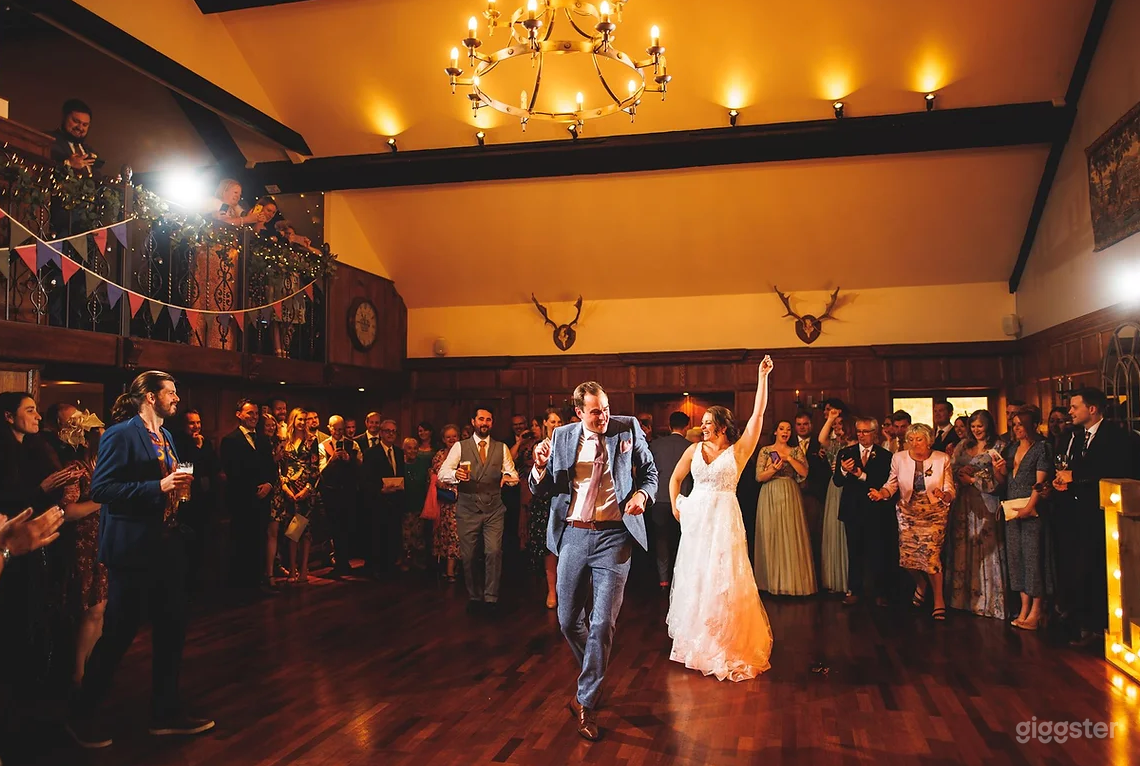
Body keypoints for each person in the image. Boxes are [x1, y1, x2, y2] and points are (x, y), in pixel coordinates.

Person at [66, 371, 213, 748]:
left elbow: (168, 480)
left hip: (165, 546)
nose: (177, 399)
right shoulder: (121, 433)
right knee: (118, 633)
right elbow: (102, 489)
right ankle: (81, 715)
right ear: (149, 397)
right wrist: (157, 487)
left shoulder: (164, 435)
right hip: (132, 549)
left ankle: (164, 714)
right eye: (171, 393)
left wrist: (178, 489)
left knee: (171, 628)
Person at [529, 382, 657, 741]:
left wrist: (643, 496)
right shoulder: (562, 436)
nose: (603, 416)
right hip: (574, 534)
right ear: (579, 413)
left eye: (606, 408)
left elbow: (650, 472)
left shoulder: (627, 427)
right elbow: (541, 489)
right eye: (595, 411)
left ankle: (585, 700)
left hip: (615, 536)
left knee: (602, 623)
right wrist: (538, 467)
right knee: (568, 620)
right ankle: (593, 669)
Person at [666, 358, 774, 682]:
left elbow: (757, 416)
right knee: (696, 577)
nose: (704, 424)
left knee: (725, 578)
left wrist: (761, 377)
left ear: (723, 426)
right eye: (704, 420)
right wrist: (675, 507)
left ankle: (727, 643)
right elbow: (674, 479)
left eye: (710, 420)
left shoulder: (739, 452)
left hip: (725, 519)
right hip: (697, 521)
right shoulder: (692, 449)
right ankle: (698, 644)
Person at [1052, 387, 1133, 647]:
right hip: (1075, 515)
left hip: (1103, 515)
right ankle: (1079, 622)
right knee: (1078, 570)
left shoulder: (1117, 437)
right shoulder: (1075, 436)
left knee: (1097, 570)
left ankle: (1099, 627)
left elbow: (1117, 470)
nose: (1070, 412)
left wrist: (1076, 477)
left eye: (1075, 407)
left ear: (1092, 409)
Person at [869, 424, 956, 622]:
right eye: (911, 439)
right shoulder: (899, 457)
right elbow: (891, 484)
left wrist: (945, 495)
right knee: (907, 558)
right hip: (908, 512)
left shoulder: (942, 458)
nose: (914, 443)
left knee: (931, 557)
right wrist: (881, 493)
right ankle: (921, 584)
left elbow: (950, 488)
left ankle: (939, 601)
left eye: (919, 439)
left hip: (934, 512)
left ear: (929, 441)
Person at [438, 408, 518, 611]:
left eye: (488, 420)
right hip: (467, 509)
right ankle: (474, 596)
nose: (485, 423)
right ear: (473, 421)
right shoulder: (459, 446)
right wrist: (456, 475)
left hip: (494, 509)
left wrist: (508, 479)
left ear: (492, 423)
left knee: (493, 552)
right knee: (470, 555)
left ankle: (491, 597)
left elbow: (513, 475)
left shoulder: (501, 448)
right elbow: (442, 474)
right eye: (481, 419)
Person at [946, 411, 1006, 619]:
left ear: (989, 425)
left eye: (980, 426)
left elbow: (1000, 479)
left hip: (986, 501)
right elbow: (951, 469)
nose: (976, 430)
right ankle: (963, 599)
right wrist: (959, 474)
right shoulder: (962, 445)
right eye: (973, 426)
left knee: (986, 547)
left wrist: (974, 480)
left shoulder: (998, 446)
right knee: (963, 545)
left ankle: (988, 601)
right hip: (964, 501)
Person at [834, 417, 895, 606]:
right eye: (859, 431)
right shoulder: (846, 452)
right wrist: (844, 471)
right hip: (853, 510)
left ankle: (880, 592)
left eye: (865, 432)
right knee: (854, 551)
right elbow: (837, 481)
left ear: (874, 433)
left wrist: (862, 476)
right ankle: (854, 590)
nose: (861, 435)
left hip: (876, 511)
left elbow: (885, 483)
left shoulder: (885, 455)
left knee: (877, 551)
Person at [753, 420, 816, 595]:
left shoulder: (796, 451)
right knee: (771, 534)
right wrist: (773, 469)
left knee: (790, 534)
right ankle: (770, 582)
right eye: (781, 428)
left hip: (790, 493)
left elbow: (804, 472)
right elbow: (759, 477)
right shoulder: (765, 451)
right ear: (775, 432)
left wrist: (789, 458)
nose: (785, 432)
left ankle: (791, 583)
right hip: (769, 493)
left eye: (788, 429)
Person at [1003, 409, 1052, 631]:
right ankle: (1023, 608)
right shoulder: (1012, 448)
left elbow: (1040, 483)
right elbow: (1005, 480)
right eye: (1014, 425)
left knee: (1033, 559)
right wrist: (998, 472)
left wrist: (1030, 506)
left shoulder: (1042, 447)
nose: (1017, 428)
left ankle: (1037, 610)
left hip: (1033, 510)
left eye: (1021, 424)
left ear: (1033, 424)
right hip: (1012, 508)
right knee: (1016, 559)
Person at [649, 411, 691, 591]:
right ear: (687, 427)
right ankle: (681, 579)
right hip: (684, 499)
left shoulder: (656, 445)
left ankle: (663, 580)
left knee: (661, 540)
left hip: (660, 499)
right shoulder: (692, 447)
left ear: (669, 425)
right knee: (684, 540)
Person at [49, 99, 97, 173]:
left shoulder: (90, 151)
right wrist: (68, 164)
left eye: (85, 125)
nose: (80, 128)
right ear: (64, 118)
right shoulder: (48, 141)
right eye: (76, 121)